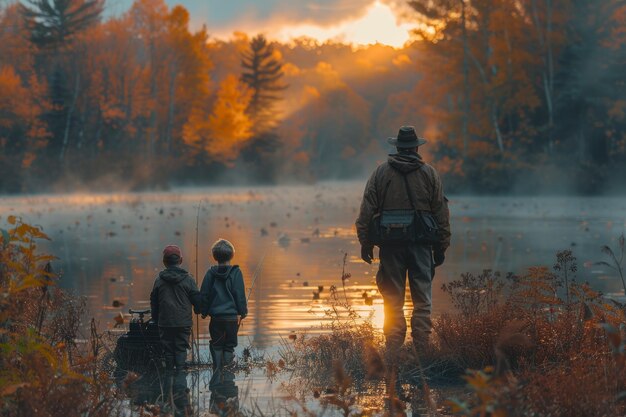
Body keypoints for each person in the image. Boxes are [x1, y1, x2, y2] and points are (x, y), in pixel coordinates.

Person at [355, 126, 451, 352]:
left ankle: (393, 353)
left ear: (397, 147)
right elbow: (441, 213)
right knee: (423, 302)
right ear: (416, 147)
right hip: (421, 245)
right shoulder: (429, 174)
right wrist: (441, 247)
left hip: (390, 246)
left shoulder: (380, 173)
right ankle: (423, 352)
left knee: (392, 301)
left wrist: (365, 243)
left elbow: (366, 211)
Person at [149, 244, 201, 414]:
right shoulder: (189, 279)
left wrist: (156, 319)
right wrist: (200, 310)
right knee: (180, 348)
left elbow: (154, 303)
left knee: (168, 349)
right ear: (181, 260)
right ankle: (180, 376)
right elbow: (196, 300)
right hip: (183, 323)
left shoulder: (159, 280)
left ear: (164, 262)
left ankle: (170, 378)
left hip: (164, 323)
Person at [199, 238, 247, 403]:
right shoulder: (236, 272)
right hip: (231, 318)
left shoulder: (210, 273)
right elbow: (239, 294)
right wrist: (243, 311)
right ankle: (227, 377)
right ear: (231, 255)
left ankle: (217, 371)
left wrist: (203, 311)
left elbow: (204, 294)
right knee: (230, 344)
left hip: (216, 318)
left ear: (215, 256)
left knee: (217, 343)